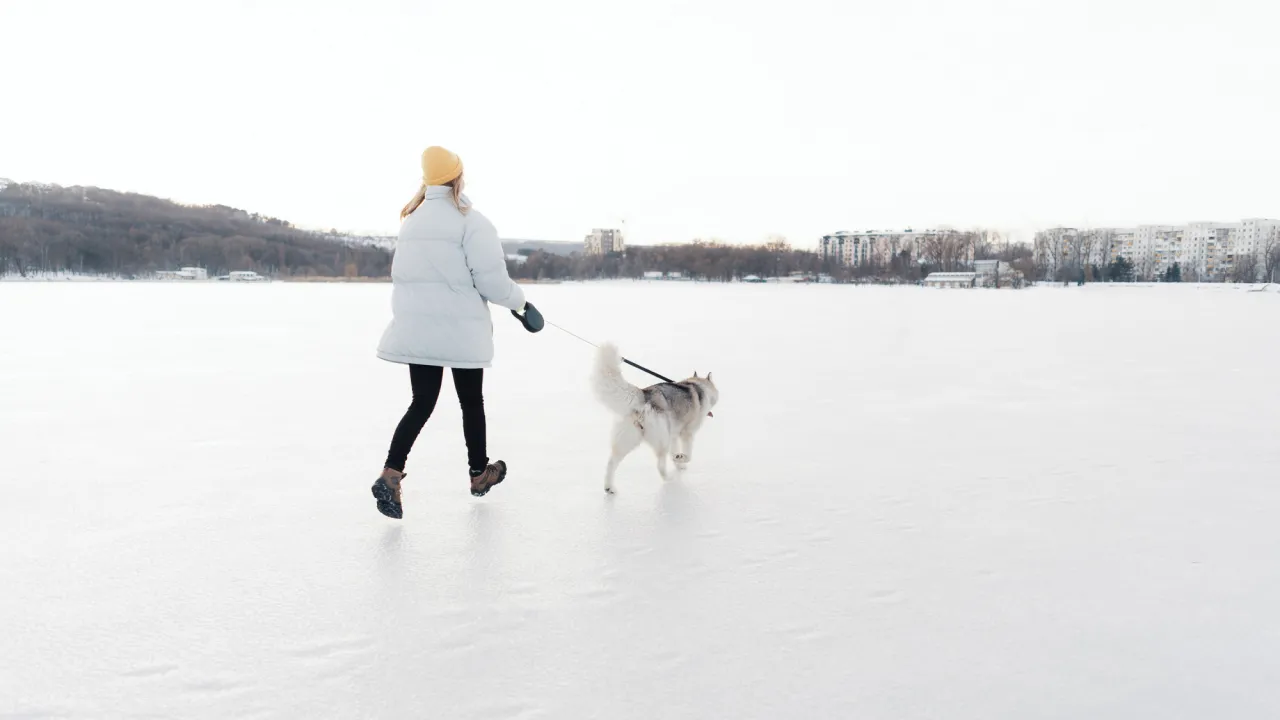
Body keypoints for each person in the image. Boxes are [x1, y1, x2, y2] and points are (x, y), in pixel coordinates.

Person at [371, 146, 532, 519]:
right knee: (471, 402)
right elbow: (492, 281)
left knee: (422, 402)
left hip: (418, 330)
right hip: (459, 332)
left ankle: (391, 474)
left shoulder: (412, 220)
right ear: (458, 177)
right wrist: (521, 303)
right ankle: (479, 475)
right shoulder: (471, 222)